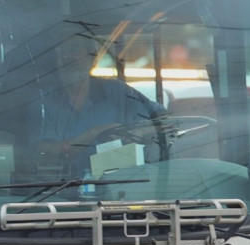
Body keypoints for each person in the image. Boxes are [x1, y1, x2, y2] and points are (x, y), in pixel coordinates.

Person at [25, 31, 166, 179]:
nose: (66, 57)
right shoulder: (43, 101)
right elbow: (44, 153)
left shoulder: (117, 92)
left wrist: (131, 133)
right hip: (58, 193)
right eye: (59, 52)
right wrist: (95, 133)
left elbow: (164, 121)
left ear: (92, 57)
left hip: (118, 190)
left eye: (73, 50)